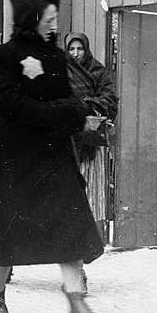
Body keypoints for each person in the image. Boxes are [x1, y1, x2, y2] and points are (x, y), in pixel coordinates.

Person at [0, 0, 113, 313]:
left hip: (53, 156)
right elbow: (8, 107)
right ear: (31, 19)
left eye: (55, 19)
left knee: (70, 223)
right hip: (13, 159)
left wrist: (77, 114)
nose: (54, 25)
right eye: (48, 19)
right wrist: (63, 112)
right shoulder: (1, 58)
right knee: (7, 231)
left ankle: (78, 306)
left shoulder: (54, 58)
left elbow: (69, 100)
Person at [64, 32, 118, 237]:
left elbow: (110, 100)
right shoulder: (60, 73)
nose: (76, 53)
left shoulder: (98, 72)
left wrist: (88, 103)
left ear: (86, 50)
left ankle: (94, 238)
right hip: (67, 142)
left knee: (92, 192)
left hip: (91, 143)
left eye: (80, 49)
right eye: (71, 49)